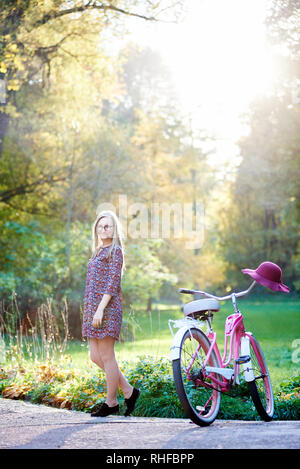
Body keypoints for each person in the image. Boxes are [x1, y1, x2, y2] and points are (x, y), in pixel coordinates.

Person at [82, 209, 140, 417]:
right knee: (95, 356)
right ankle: (129, 391)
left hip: (107, 309)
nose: (103, 229)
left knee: (107, 356)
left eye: (107, 226)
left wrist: (100, 309)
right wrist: (91, 310)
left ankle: (112, 402)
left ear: (114, 229)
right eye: (100, 226)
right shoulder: (97, 251)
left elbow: (113, 282)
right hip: (92, 310)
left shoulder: (115, 251)